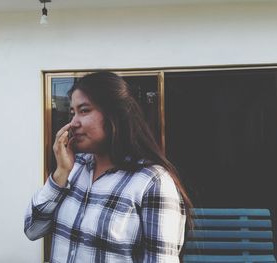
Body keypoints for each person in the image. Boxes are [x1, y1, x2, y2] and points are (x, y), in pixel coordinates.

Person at [24, 71, 193, 262]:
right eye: (72, 113)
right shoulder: (75, 168)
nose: (73, 123)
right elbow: (32, 229)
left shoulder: (151, 182)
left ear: (115, 115)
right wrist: (61, 172)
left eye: (84, 110)